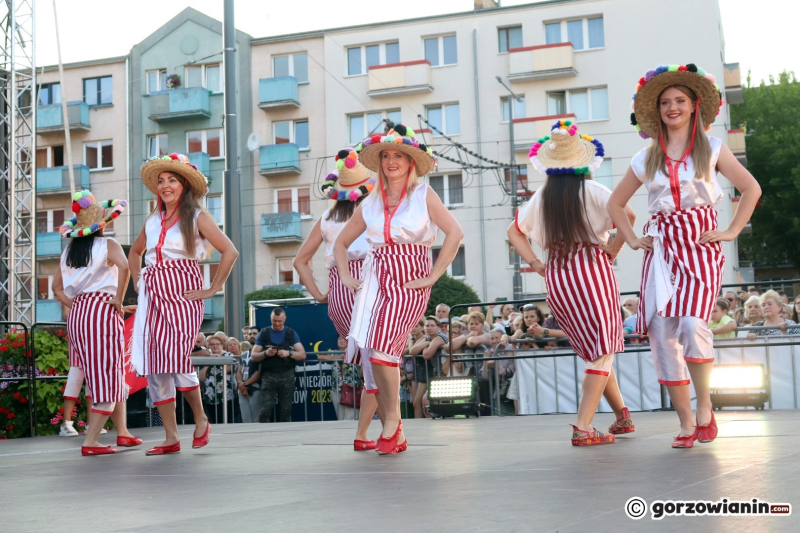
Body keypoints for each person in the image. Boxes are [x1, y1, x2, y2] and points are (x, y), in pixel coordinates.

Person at [608, 63, 761, 449]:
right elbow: (615, 203)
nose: (672, 107)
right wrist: (630, 237)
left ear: (694, 106)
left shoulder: (713, 149)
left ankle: (705, 404)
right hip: (662, 248)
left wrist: (730, 231)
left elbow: (751, 189)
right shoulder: (646, 157)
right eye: (665, 102)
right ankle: (686, 421)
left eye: (679, 100)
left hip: (700, 246)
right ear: (657, 111)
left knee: (693, 326)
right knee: (661, 333)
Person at [335, 124, 463, 454]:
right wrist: (348, 278)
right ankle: (394, 424)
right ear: (380, 163)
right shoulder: (370, 203)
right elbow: (341, 242)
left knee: (380, 349)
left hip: (409, 279)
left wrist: (433, 275)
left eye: (399, 156)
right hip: (376, 279)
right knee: (376, 353)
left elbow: (455, 233)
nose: (392, 161)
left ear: (410, 162)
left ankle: (392, 424)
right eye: (387, 156)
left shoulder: (424, 194)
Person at [510, 120, 636, 446]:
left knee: (597, 350)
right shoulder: (594, 190)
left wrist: (536, 262)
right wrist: (612, 249)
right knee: (603, 349)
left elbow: (514, 232)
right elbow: (630, 217)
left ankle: (622, 415)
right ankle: (583, 426)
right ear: (584, 160)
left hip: (556, 275)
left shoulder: (541, 196)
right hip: (591, 270)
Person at [130, 152, 239, 455]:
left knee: (177, 358)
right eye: (162, 181)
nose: (165, 186)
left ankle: (201, 418)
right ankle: (170, 436)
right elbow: (135, 252)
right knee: (155, 366)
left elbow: (230, 251)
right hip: (153, 293)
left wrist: (213, 288)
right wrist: (139, 281)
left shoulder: (197, 217)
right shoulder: (152, 220)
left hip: (183, 291)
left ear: (185, 185)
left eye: (172, 180)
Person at [293, 147, 379, 448]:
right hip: (367, 283)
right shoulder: (372, 211)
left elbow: (299, 261)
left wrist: (319, 295)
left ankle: (369, 432)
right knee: (380, 363)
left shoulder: (326, 217)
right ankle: (368, 433)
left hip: (338, 295)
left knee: (372, 364)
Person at [52, 190, 142, 455]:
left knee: (100, 372)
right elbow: (125, 268)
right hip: (101, 312)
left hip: (79, 313)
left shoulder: (69, 252)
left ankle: (122, 432)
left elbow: (57, 288)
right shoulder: (108, 245)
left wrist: (79, 306)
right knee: (109, 372)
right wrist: (117, 299)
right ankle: (91, 441)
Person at [251, 308, 306, 423]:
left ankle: (284, 436)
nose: (277, 324)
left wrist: (289, 353)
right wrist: (266, 353)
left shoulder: (291, 333)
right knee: (265, 411)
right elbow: (254, 356)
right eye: (274, 321)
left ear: (284, 319)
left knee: (286, 410)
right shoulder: (264, 333)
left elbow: (302, 355)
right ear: (271, 319)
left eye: (279, 321)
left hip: (287, 375)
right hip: (268, 375)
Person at [408, 316, 447, 418]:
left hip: (444, 375)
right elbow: (412, 351)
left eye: (432, 325)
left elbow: (426, 355)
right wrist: (427, 343)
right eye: (427, 325)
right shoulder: (428, 338)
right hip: (435, 374)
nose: (429, 328)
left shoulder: (440, 337)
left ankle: (431, 425)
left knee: (427, 402)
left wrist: (426, 347)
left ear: (438, 327)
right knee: (423, 402)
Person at [198, 336, 241, 424]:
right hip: (210, 396)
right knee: (213, 420)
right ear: (208, 346)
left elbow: (230, 369)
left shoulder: (228, 355)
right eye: (212, 344)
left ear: (222, 345)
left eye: (217, 344)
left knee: (228, 418)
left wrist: (219, 360)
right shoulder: (206, 357)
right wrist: (209, 362)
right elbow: (201, 377)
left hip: (227, 395)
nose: (215, 346)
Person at [236, 339, 261, 424]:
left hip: (255, 388)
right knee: (245, 418)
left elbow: (259, 373)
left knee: (255, 419)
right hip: (242, 389)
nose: (252, 336)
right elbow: (239, 371)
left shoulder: (261, 355)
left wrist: (245, 384)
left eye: (254, 334)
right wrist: (241, 384)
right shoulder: (244, 355)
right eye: (250, 334)